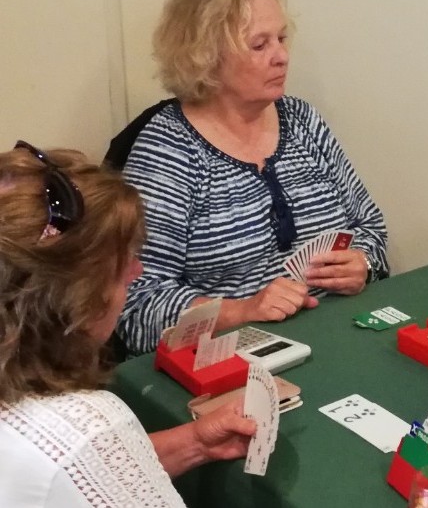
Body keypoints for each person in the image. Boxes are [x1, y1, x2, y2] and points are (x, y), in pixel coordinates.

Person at [117, 0, 389, 355]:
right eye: (260, 45)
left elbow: (372, 228)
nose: (281, 56)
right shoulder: (168, 151)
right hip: (232, 359)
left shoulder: (302, 121)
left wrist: (363, 262)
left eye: (281, 38)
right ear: (207, 55)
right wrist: (241, 310)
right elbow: (135, 308)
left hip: (339, 338)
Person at [0, 143, 256, 506]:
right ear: (74, 297)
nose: (137, 274)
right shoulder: (87, 425)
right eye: (122, 269)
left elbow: (74, 474)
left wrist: (195, 443)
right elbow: (75, 454)